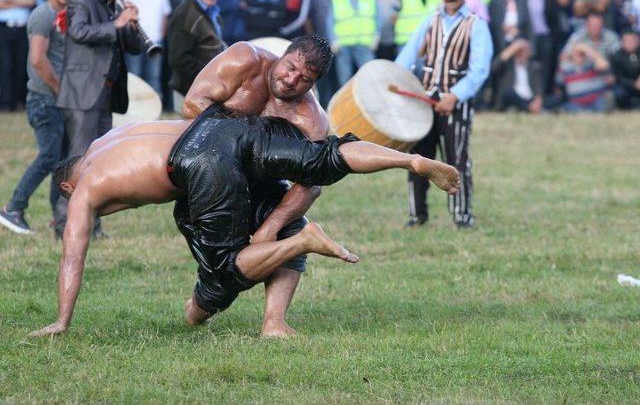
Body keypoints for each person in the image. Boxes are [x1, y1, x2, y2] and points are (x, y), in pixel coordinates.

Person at [27, 110, 461, 338]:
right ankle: (412, 160)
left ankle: (303, 240)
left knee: (226, 271)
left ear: (67, 187)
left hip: (201, 165)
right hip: (222, 129)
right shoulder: (107, 142)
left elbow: (72, 255)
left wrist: (62, 320)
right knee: (323, 155)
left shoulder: (83, 188)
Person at [183, 35, 332, 337]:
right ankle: (198, 307)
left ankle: (273, 323)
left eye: (304, 79)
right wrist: (241, 142)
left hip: (262, 184)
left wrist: (272, 225)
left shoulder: (311, 120)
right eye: (290, 67)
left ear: (313, 85)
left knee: (293, 228)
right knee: (223, 282)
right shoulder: (244, 59)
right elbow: (191, 105)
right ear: (284, 54)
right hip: (211, 176)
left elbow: (313, 182)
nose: (291, 80)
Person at [395, 0, 492, 228]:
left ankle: (462, 216)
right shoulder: (430, 21)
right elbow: (408, 56)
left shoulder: (476, 25)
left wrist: (456, 95)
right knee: (417, 159)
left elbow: (479, 69)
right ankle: (417, 216)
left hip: (457, 103)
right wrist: (394, 79)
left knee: (457, 160)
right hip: (424, 99)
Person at [54, 0, 143, 239]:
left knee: (98, 164)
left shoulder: (114, 5)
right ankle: (63, 224)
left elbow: (134, 48)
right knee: (78, 161)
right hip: (83, 94)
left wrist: (133, 24)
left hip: (106, 93)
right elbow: (79, 32)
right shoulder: (82, 0)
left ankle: (92, 226)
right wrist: (117, 23)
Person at [0, 0, 75, 235]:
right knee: (50, 157)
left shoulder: (65, 13)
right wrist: (62, 92)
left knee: (63, 161)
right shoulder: (43, 14)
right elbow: (38, 60)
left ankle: (60, 220)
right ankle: (13, 208)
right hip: (44, 100)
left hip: (57, 100)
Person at [167, 0, 226, 111]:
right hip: (189, 94)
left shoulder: (213, 11)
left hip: (208, 94)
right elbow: (178, 60)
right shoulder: (185, 13)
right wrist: (205, 84)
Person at [121, 0, 172, 98]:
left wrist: (162, 35)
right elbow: (123, 13)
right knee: (135, 75)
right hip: (136, 40)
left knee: (154, 75)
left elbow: (165, 14)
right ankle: (133, 109)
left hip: (156, 40)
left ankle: (156, 110)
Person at [328, 0, 379, 86]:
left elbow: (378, 16)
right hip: (343, 44)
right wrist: (333, 40)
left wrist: (376, 35)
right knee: (345, 81)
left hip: (364, 43)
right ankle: (346, 103)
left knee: (370, 78)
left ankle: (367, 102)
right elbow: (330, 19)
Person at [0, 0, 37, 112]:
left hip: (23, 29)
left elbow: (31, 0)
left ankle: (18, 102)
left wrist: (7, 1)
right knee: (5, 65)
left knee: (22, 65)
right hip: (4, 29)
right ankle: (5, 103)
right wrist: (19, 1)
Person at [491, 39, 544, 113]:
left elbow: (539, 88)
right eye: (519, 51)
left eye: (525, 51)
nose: (523, 54)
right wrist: (511, 49)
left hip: (529, 98)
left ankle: (532, 108)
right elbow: (493, 68)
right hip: (512, 98)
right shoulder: (508, 66)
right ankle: (529, 108)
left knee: (555, 99)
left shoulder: (534, 67)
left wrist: (538, 100)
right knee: (509, 92)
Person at [610, 30, 640, 109]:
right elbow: (618, 77)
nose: (630, 43)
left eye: (632, 40)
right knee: (619, 93)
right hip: (625, 86)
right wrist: (633, 84)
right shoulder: (617, 56)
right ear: (622, 42)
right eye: (627, 41)